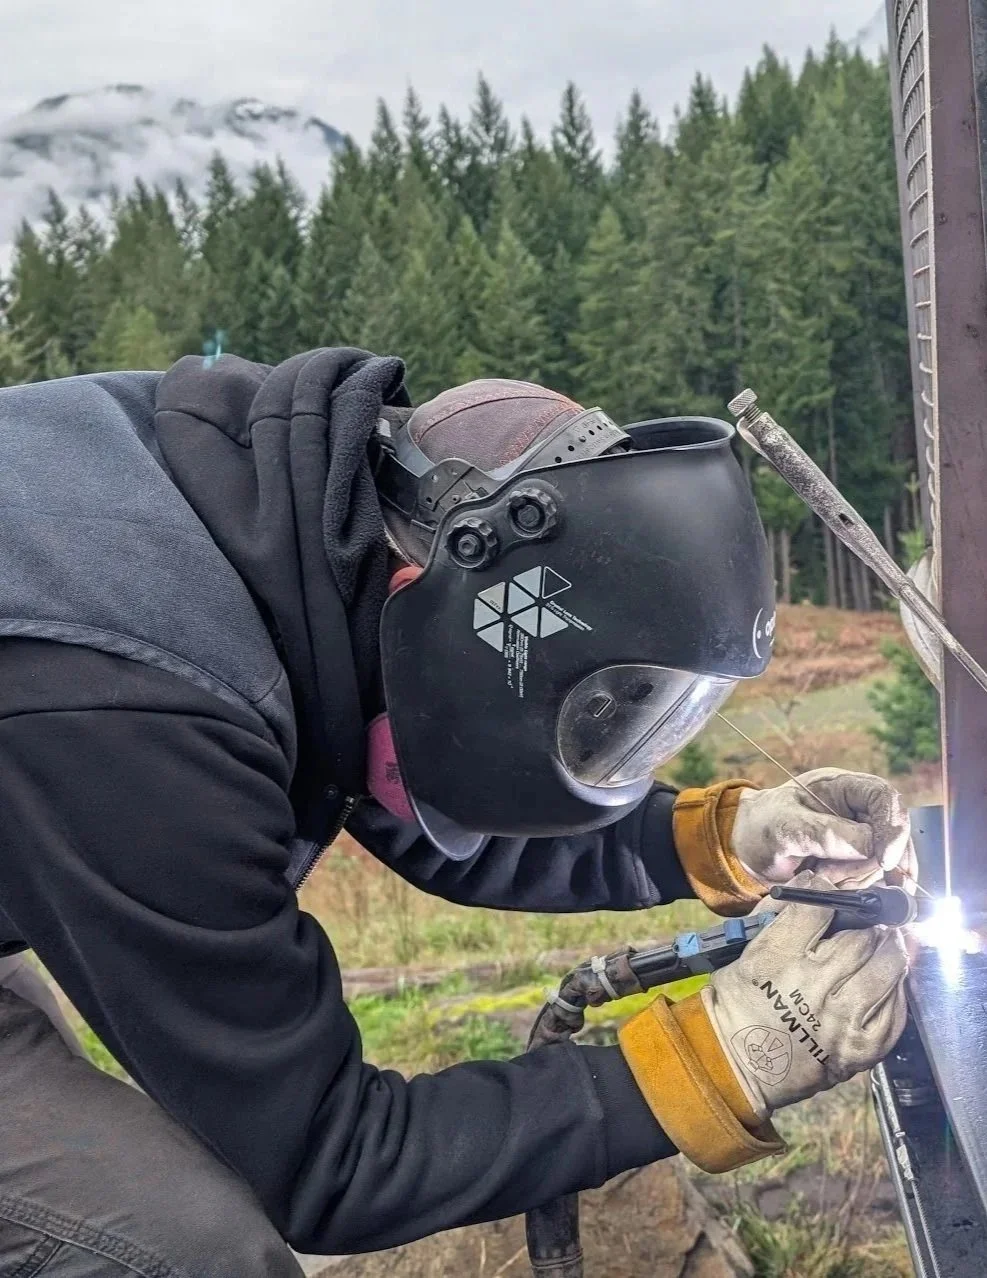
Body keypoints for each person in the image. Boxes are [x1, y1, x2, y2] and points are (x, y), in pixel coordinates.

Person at [0, 349, 912, 1277]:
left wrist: (727, 838)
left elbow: (440, 763)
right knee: (183, 1250)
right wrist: (718, 1062)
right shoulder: (131, 707)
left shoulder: (297, 510)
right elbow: (327, 1160)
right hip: (71, 722)